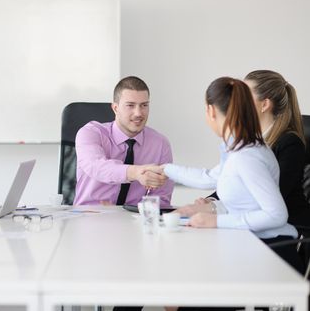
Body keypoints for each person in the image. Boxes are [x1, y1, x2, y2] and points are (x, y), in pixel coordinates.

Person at [154, 77, 302, 274]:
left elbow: (276, 215)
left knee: (179, 275)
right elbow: (209, 177)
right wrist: (164, 169)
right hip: (250, 244)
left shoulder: (246, 156)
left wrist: (214, 220)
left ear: (211, 111)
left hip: (268, 252)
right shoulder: (239, 148)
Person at [74, 76, 173, 207]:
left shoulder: (160, 143)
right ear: (115, 108)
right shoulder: (91, 133)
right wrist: (136, 172)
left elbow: (161, 200)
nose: (138, 113)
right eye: (130, 105)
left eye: (144, 105)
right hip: (91, 215)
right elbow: (96, 166)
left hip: (135, 219)